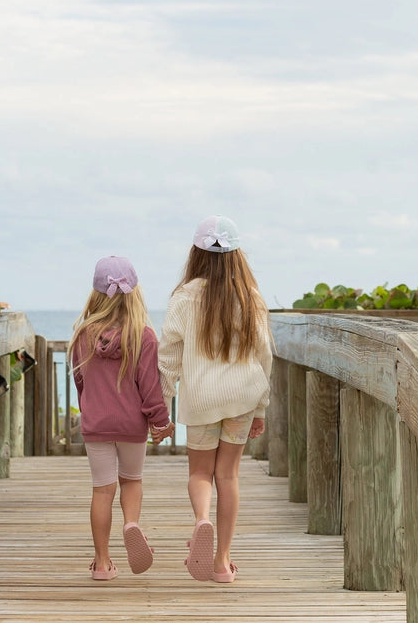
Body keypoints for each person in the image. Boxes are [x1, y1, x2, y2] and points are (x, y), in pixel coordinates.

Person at [155, 215, 272, 583]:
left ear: (196, 253)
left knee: (200, 473)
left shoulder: (184, 297)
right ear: (237, 255)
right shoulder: (250, 298)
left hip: (202, 400)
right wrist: (261, 406)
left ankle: (201, 520)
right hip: (242, 397)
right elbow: (264, 353)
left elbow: (168, 356)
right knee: (229, 475)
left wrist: (161, 405)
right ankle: (222, 561)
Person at [67, 256, 175, 581]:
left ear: (95, 294)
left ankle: (102, 563)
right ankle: (131, 524)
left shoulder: (82, 336)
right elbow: (150, 388)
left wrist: (89, 412)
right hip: (132, 426)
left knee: (102, 490)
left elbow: (80, 382)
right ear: (134, 293)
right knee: (132, 481)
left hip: (96, 425)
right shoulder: (143, 336)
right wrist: (160, 421)